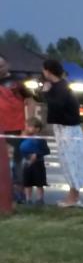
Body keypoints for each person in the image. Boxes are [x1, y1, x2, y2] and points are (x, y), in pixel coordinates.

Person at [41, 59, 83, 207]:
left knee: (72, 161)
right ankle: (72, 194)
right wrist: (44, 92)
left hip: (69, 128)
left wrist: (46, 93)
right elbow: (45, 99)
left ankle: (74, 196)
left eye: (44, 70)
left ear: (48, 71)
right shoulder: (55, 86)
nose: (43, 73)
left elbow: (57, 104)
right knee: (66, 162)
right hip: (62, 127)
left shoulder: (62, 87)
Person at [0, 54, 25, 214]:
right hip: (0, 129)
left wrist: (28, 123)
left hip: (15, 128)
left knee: (16, 163)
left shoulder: (17, 82)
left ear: (7, 65)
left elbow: (30, 100)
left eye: (1, 66)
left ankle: (16, 198)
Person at [19, 119, 49, 204]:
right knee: (27, 183)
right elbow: (20, 149)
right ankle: (28, 199)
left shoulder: (40, 139)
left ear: (37, 129)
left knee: (39, 183)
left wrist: (37, 154)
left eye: (29, 126)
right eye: (27, 126)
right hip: (27, 163)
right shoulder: (23, 138)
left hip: (38, 164)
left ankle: (40, 199)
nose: (27, 128)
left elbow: (46, 151)